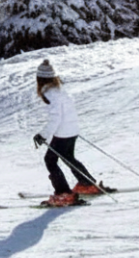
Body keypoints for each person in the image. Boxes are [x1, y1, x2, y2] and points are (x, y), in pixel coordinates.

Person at [33, 59, 101, 206]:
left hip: (63, 132)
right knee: (68, 157)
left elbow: (55, 118)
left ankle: (64, 193)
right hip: (72, 129)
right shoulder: (59, 89)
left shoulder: (49, 93)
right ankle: (87, 184)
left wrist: (43, 135)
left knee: (50, 160)